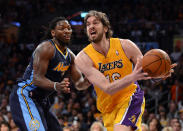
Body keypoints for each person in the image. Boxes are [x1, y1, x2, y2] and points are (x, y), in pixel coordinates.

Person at [75, 10, 176, 131]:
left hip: (130, 97)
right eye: (88, 24)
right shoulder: (83, 57)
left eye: (95, 23)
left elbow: (147, 72)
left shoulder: (126, 45)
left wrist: (160, 74)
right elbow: (108, 88)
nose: (91, 26)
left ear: (106, 28)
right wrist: (133, 76)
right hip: (108, 108)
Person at [9, 17, 90, 131]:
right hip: (26, 94)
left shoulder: (71, 57)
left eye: (69, 28)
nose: (67, 31)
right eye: (62, 28)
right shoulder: (46, 48)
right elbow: (37, 79)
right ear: (53, 32)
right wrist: (56, 86)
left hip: (41, 101)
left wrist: (90, 80)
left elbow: (79, 84)